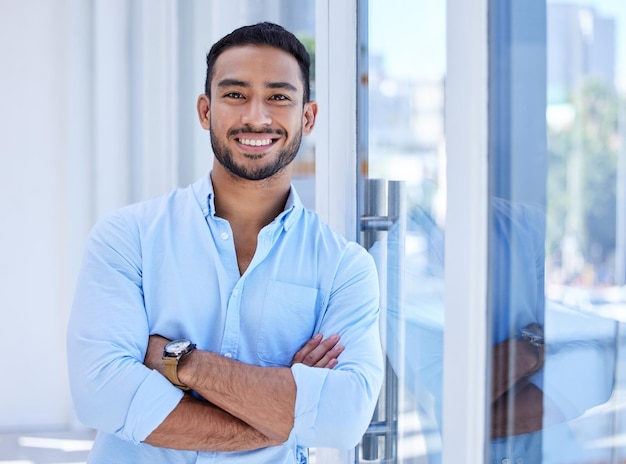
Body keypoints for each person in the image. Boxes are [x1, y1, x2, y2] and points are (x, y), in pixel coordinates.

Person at [67, 22, 384, 463]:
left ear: (306, 117)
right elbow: (101, 394)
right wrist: (282, 413)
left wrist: (177, 360)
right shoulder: (128, 238)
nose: (256, 116)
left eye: (279, 96)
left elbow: (344, 418)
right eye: (235, 94)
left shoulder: (343, 267)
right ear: (205, 111)